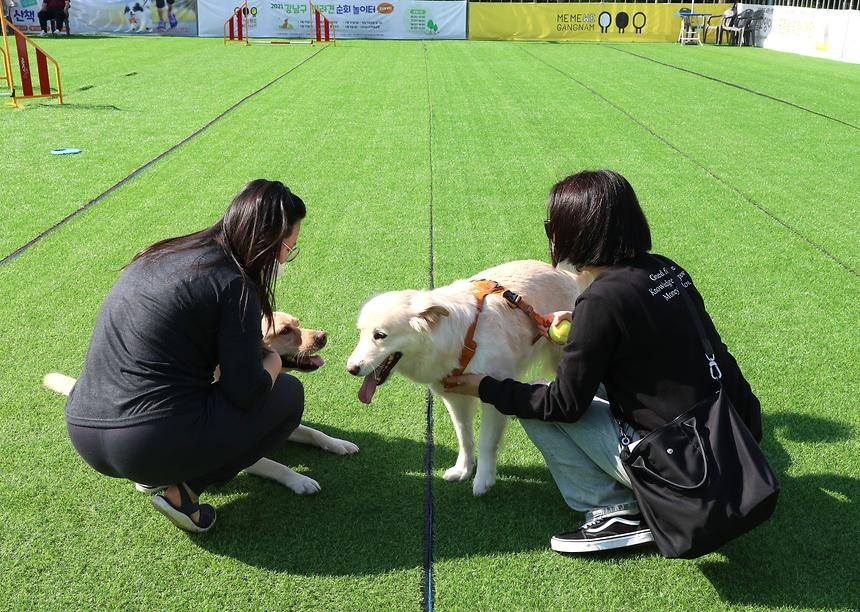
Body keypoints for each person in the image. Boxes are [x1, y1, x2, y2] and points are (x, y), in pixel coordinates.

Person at [444, 169, 762, 554]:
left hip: (685, 474)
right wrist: (583, 325)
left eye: (554, 225)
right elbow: (650, 331)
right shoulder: (665, 268)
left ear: (577, 231)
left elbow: (563, 405)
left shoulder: (602, 301)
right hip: (735, 439)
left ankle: (611, 510)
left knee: (534, 396)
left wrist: (486, 387)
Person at [64, 179, 307, 533]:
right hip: (142, 443)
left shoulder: (162, 253)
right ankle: (186, 493)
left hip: (82, 428)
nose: (286, 259)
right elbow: (246, 392)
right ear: (268, 243)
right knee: (287, 394)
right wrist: (271, 361)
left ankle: (155, 471)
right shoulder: (233, 283)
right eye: (289, 249)